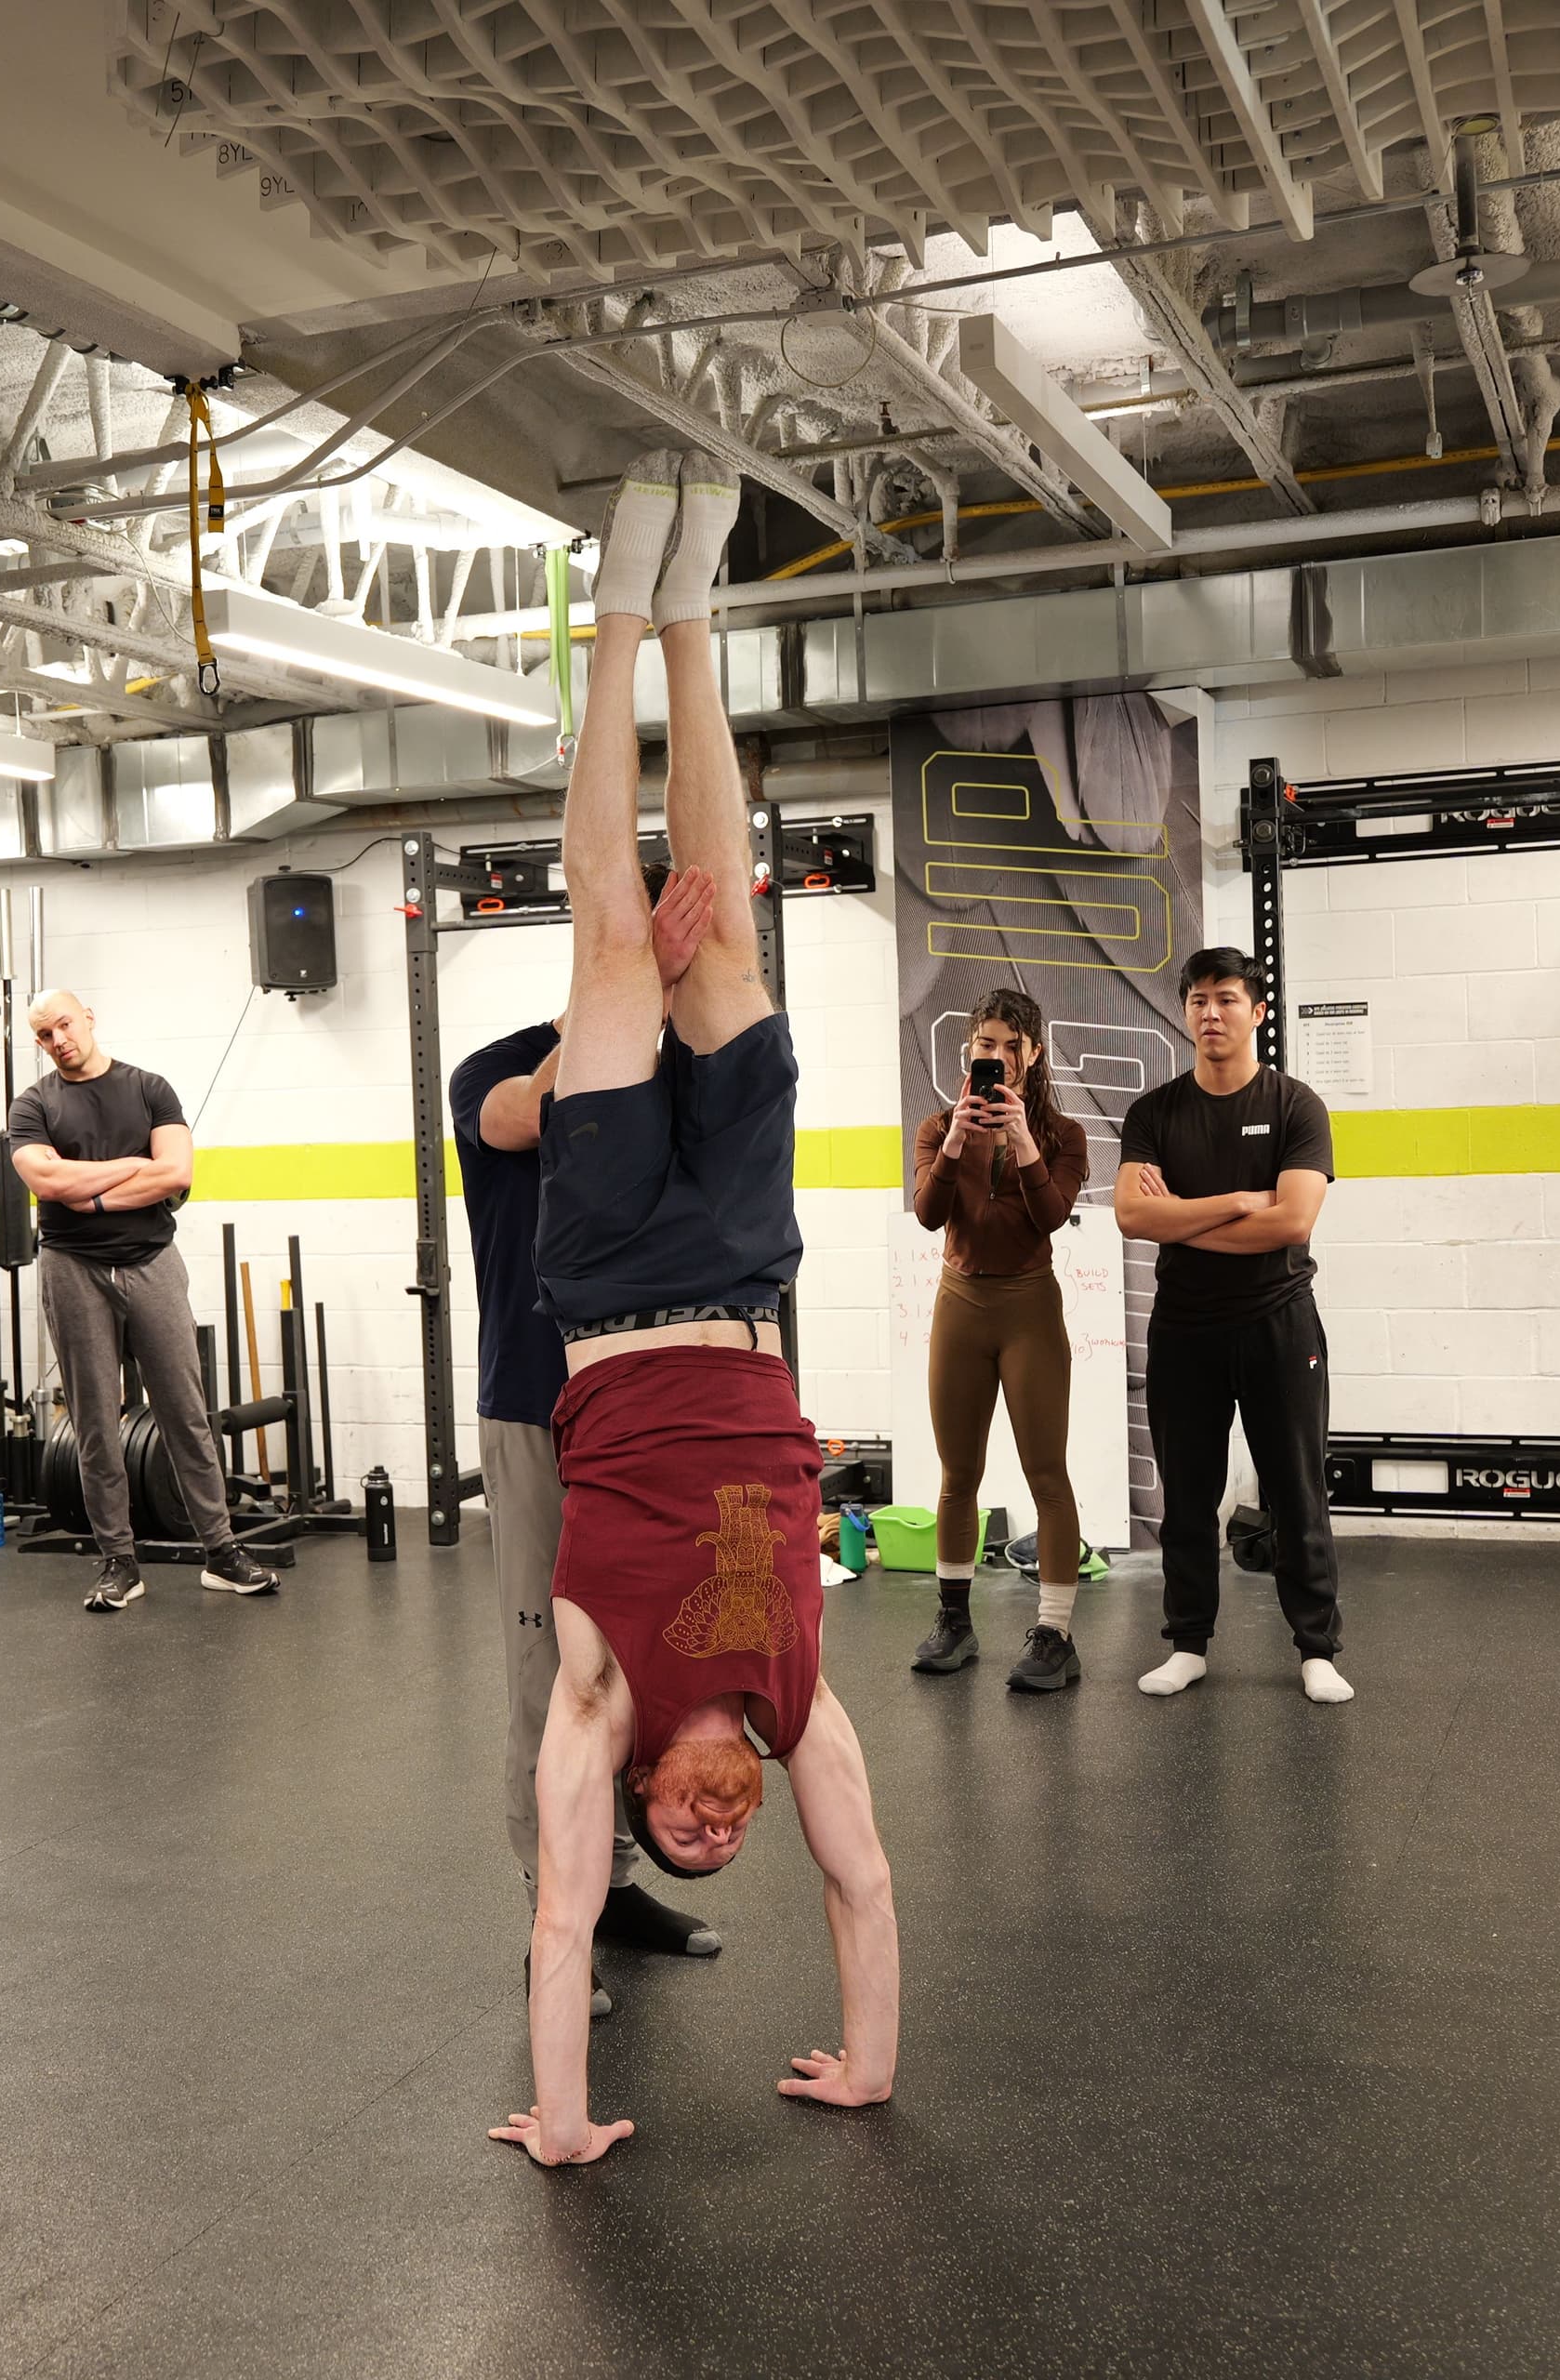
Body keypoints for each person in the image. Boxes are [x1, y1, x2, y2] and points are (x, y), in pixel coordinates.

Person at [494, 451, 898, 2170]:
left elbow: (562, 1923)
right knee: (723, 942)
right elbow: (864, 1879)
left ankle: (612, 624)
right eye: (733, 1845)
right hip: (738, 1279)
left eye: (690, 1837)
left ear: (653, 1799)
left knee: (607, 949)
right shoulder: (797, 1702)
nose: (722, 1834)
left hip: (597, 1290)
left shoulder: (597, 1699)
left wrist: (566, 2120)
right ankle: (696, 620)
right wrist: (870, 2067)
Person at [453, 879, 732, 2012]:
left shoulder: (685, 1075)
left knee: (653, 1662)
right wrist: (634, 991)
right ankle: (552, 1915)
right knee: (550, 1674)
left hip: (651, 1412)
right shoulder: (494, 1065)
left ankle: (613, 1887)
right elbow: (528, 1114)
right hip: (535, 1404)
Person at [1114, 948, 1351, 1706]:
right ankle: (1187, 1645)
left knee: (1297, 1490)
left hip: (1280, 1324)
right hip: (1186, 1327)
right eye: (1197, 1001)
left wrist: (1180, 1219)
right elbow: (1130, 1214)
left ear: (1257, 1012)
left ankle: (1317, 1649)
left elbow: (1294, 1220)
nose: (1210, 1013)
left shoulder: (1296, 1106)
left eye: (1225, 999)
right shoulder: (1155, 1113)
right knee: (1187, 1496)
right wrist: (1238, 1202)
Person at [9, 992, 278, 1609]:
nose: (59, 1039)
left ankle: (221, 1551)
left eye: (65, 1024)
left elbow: (176, 1173)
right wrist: (133, 1167)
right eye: (45, 1034)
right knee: (96, 1419)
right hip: (71, 1267)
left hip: (151, 1259)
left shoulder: (150, 1088)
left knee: (185, 1409)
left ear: (90, 1018)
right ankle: (118, 1562)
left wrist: (94, 1190)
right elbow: (48, 1182)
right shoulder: (34, 1104)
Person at [907, 989, 1094, 1691]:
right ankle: (954, 1621)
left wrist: (1019, 1139)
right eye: (986, 1045)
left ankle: (1054, 1633)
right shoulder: (935, 1127)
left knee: (1047, 1473)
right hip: (961, 1304)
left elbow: (1050, 1214)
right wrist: (957, 1139)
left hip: (1028, 1310)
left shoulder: (1064, 1135)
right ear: (971, 1050)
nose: (998, 1058)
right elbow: (929, 1215)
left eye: (1011, 1047)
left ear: (1034, 1054)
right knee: (958, 1474)